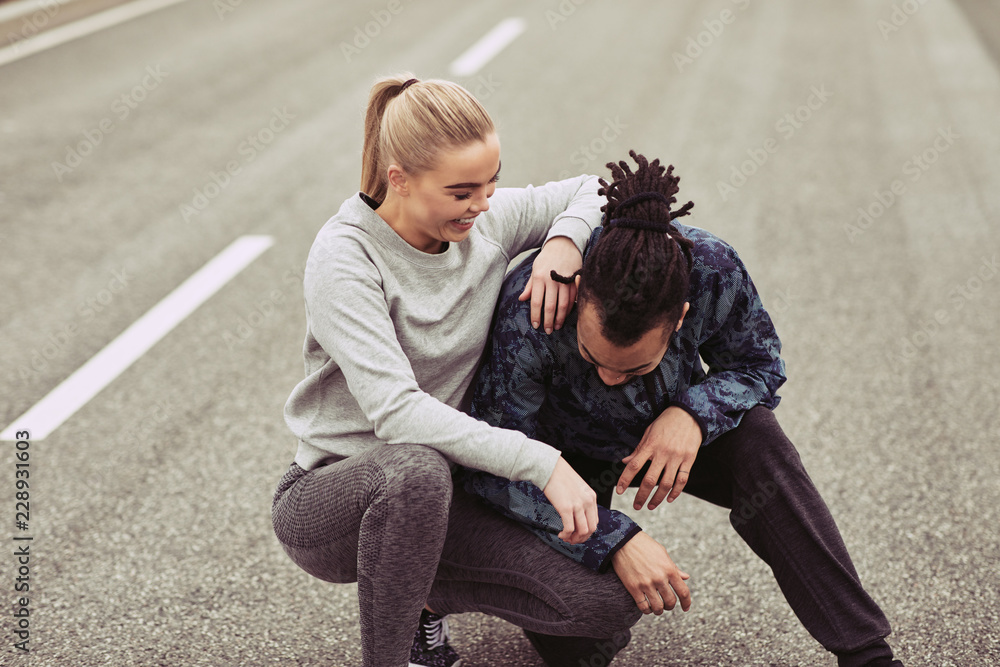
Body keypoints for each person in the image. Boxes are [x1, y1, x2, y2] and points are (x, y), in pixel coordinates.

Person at [460, 151, 905, 666]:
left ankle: (867, 655)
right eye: (592, 357)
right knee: (581, 641)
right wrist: (614, 538)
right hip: (563, 465)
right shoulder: (534, 308)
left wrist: (694, 413)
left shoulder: (712, 270)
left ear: (680, 320)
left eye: (632, 369)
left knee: (762, 445)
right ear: (579, 297)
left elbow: (759, 365)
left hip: (668, 428)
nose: (609, 377)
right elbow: (495, 462)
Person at [270, 74, 641, 667]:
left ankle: (420, 597)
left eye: (492, 182)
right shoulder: (344, 257)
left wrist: (563, 245)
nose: (484, 203)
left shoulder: (481, 224)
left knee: (605, 605)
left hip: (448, 493)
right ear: (400, 179)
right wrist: (542, 463)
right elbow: (395, 414)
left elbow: (596, 188)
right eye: (463, 191)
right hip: (335, 500)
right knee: (413, 470)